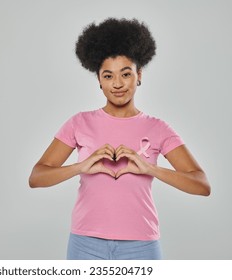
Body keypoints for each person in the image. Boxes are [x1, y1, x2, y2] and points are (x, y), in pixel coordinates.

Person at [29, 18, 211, 260]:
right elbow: (36, 177)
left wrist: (150, 169)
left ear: (139, 75)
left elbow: (201, 184)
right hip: (85, 244)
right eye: (108, 76)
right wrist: (81, 166)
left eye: (125, 74)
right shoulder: (79, 123)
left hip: (142, 246)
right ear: (99, 80)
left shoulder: (158, 128)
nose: (117, 84)